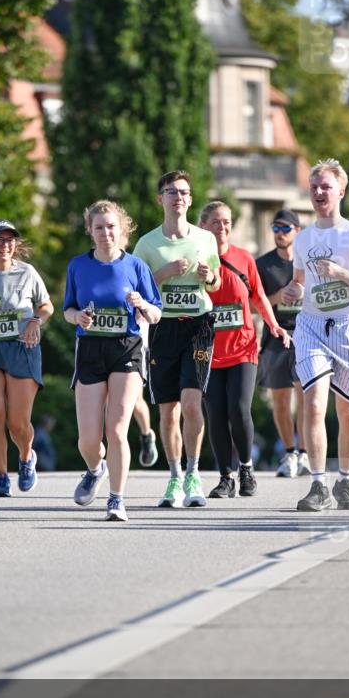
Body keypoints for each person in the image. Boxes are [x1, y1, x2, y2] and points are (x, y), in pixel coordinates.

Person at [280, 159, 349, 512]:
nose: (319, 192)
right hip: (311, 326)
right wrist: (293, 291)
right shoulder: (305, 237)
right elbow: (298, 281)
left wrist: (343, 274)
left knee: (348, 412)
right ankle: (318, 485)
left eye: (326, 186)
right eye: (314, 187)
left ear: (341, 191)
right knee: (312, 402)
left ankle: (344, 479)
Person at [64, 201, 161, 522]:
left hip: (127, 348)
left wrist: (143, 304)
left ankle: (116, 499)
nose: (106, 233)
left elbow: (157, 313)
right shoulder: (78, 266)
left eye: (111, 227)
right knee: (88, 440)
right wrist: (78, 316)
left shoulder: (136, 267)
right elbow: (68, 310)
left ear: (122, 230)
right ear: (90, 232)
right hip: (90, 350)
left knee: (116, 428)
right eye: (99, 227)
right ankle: (95, 468)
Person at [133, 170, 221, 508]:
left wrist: (209, 275)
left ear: (190, 199)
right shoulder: (148, 243)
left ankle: (194, 473)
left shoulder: (204, 238)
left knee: (191, 403)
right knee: (168, 410)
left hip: (198, 324)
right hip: (162, 327)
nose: (178, 197)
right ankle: (173, 478)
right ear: (161, 199)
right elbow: (138, 290)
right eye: (171, 191)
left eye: (184, 191)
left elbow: (214, 283)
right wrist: (164, 274)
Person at [199, 201, 290, 497]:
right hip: (210, 350)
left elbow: (259, 296)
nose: (222, 227)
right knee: (215, 412)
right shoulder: (196, 261)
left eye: (226, 222)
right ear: (203, 226)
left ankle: (246, 469)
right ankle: (225, 476)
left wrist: (274, 325)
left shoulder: (243, 258)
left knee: (238, 409)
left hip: (242, 347)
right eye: (215, 222)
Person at [0, 219, 53, 496]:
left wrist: (35, 322)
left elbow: (46, 305)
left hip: (21, 347)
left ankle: (27, 457)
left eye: (10, 240)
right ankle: (2, 476)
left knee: (17, 423)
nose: (5, 245)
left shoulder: (27, 272)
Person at [256, 209, 310, 478]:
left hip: (306, 335)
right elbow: (255, 303)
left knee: (306, 397)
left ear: (297, 232)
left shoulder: (308, 263)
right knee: (280, 400)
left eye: (285, 229)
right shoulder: (263, 264)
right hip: (276, 337)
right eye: (275, 228)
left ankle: (305, 452)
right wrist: (277, 297)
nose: (280, 233)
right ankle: (289, 453)